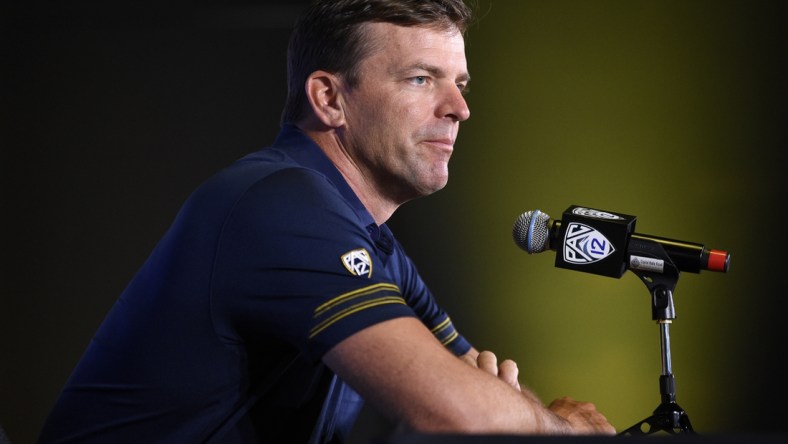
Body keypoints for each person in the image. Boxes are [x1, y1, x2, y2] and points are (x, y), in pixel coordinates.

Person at [39, 0, 616, 442]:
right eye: (421, 79)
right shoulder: (278, 204)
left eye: (459, 83)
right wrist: (557, 427)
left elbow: (476, 390)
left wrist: (505, 410)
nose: (459, 108)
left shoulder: (376, 247)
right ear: (330, 98)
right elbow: (457, 410)